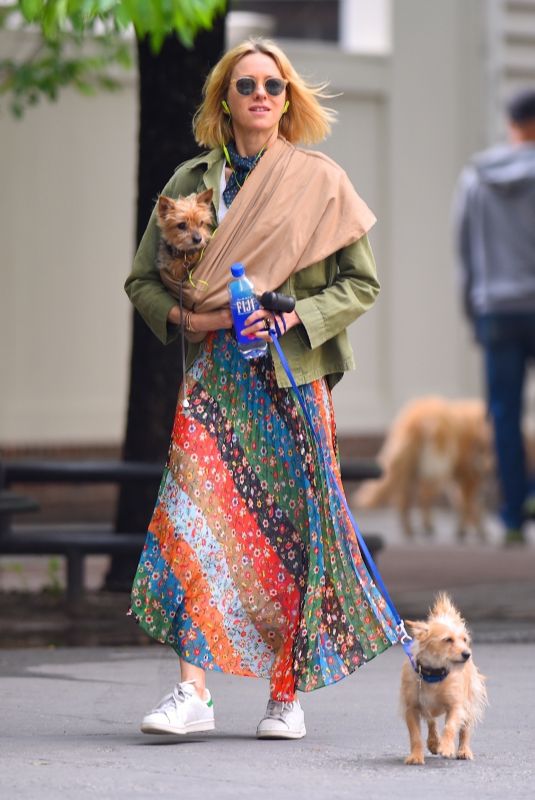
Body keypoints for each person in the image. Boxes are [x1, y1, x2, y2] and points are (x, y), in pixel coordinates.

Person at [125, 37, 398, 740]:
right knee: (195, 521)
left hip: (291, 377)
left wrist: (293, 316)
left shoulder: (318, 178)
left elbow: (360, 284)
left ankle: (285, 697)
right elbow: (141, 282)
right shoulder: (190, 179)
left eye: (273, 86)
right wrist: (188, 314)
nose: (260, 96)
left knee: (290, 534)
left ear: (287, 98)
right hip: (214, 379)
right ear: (225, 97)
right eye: (245, 84)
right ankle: (192, 693)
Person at [455, 88, 535, 546]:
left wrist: (474, 309)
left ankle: (510, 516)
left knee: (504, 412)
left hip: (496, 310)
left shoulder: (476, 178)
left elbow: (464, 250)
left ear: (511, 123)